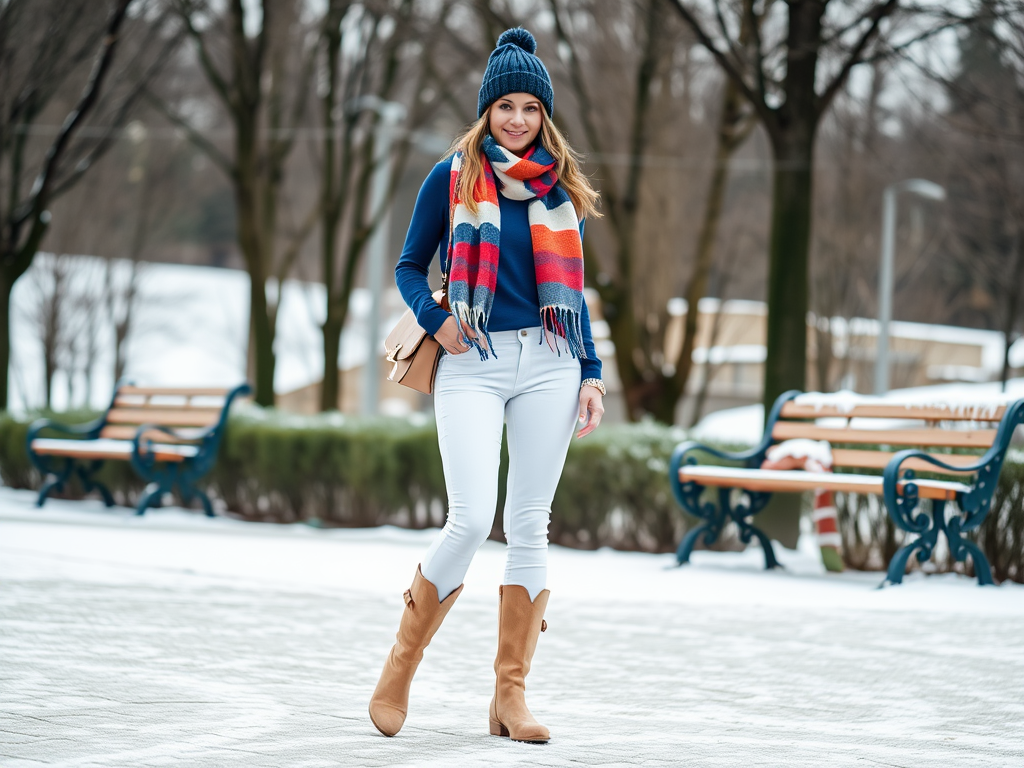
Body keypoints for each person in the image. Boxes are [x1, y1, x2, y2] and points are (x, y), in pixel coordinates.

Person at [368, 26, 605, 744]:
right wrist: (436, 321)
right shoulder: (449, 177)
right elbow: (411, 265)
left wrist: (591, 375)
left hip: (552, 361)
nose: (518, 120)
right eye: (506, 106)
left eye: (531, 109)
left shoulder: (561, 192)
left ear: (545, 116)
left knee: (529, 522)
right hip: (469, 359)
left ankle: (510, 698)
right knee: (470, 519)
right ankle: (398, 668)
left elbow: (575, 292)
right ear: (486, 110)